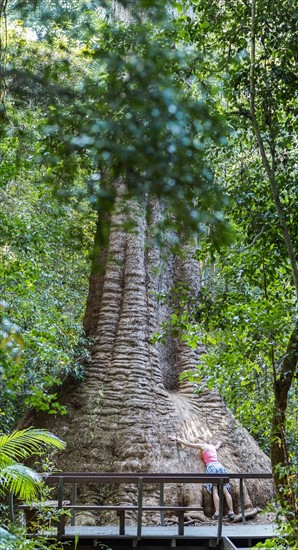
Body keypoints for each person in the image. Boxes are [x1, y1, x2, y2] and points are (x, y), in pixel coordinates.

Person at [168, 435, 235, 521]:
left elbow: (188, 444)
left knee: (215, 490)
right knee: (225, 490)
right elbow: (217, 446)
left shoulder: (203, 446)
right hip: (220, 467)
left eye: (197, 441)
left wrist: (177, 439)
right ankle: (231, 512)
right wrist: (220, 443)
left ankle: (217, 513)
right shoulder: (212, 447)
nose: (197, 442)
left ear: (202, 441)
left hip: (212, 468)